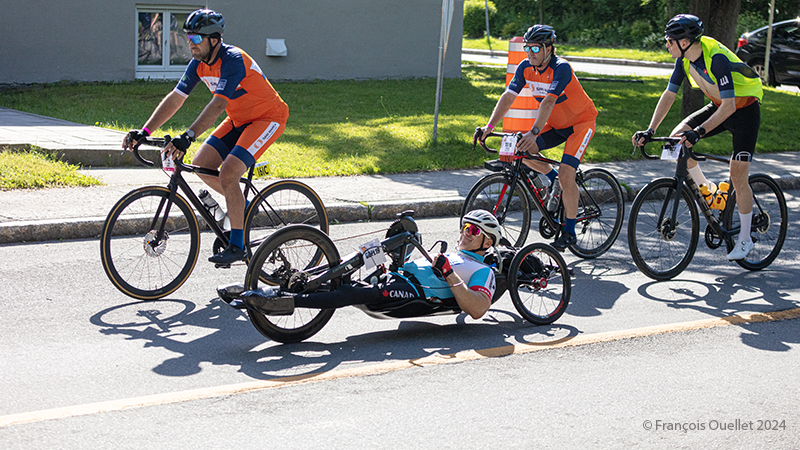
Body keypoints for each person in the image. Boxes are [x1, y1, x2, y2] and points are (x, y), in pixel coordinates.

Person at [123, 9, 289, 264]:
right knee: (201, 166)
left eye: (196, 38)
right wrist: (144, 131)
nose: (190, 43)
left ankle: (237, 244)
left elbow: (218, 105)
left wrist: (188, 135)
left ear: (214, 39)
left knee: (229, 172)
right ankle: (239, 207)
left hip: (268, 118)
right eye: (188, 37)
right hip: (238, 120)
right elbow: (176, 98)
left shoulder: (233, 59)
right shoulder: (198, 64)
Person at [632, 14, 763, 261]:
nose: (667, 45)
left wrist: (700, 131)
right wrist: (650, 130)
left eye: (669, 41)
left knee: (738, 174)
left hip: (743, 110)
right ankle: (710, 191)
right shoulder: (683, 61)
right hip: (720, 105)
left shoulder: (716, 58)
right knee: (676, 139)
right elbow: (669, 95)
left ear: (684, 41)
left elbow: (730, 107)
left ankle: (745, 238)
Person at [236, 210, 501, 320]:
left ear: (487, 243)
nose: (466, 232)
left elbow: (477, 308)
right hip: (397, 276)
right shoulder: (449, 252)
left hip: (414, 293)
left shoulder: (482, 271)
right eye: (466, 227)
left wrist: (448, 272)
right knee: (343, 273)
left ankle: (284, 301)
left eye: (474, 231)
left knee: (351, 293)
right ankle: (269, 287)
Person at [479, 24, 598, 251]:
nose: (530, 53)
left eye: (535, 49)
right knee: (521, 152)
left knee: (567, 173)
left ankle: (570, 231)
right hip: (554, 123)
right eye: (527, 48)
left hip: (580, 124)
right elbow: (508, 96)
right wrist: (489, 125)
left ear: (548, 48)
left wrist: (533, 132)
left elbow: (549, 101)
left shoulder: (561, 68)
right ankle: (553, 178)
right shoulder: (525, 67)